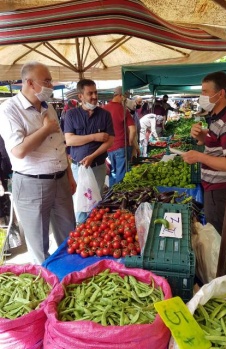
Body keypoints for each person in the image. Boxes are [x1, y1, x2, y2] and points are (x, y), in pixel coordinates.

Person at [0, 61, 76, 265]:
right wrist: (45, 130)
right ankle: (49, 285)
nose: (51, 85)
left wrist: (69, 175)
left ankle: (71, 275)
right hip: (31, 183)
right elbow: (19, 150)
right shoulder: (9, 109)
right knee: (39, 245)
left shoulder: (49, 107)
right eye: (47, 81)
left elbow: (59, 144)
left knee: (69, 235)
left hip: (60, 180)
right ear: (30, 83)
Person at [182, 71, 226, 253]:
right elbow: (217, 144)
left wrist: (199, 157)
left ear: (221, 93)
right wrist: (201, 135)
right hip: (214, 187)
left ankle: (225, 276)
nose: (203, 97)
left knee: (220, 237)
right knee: (219, 235)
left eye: (205, 92)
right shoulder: (218, 115)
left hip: (221, 189)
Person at [64, 79, 115, 223]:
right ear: (80, 96)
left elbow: (110, 141)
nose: (94, 96)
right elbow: (69, 140)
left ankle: (92, 228)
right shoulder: (71, 115)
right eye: (90, 93)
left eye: (95, 92)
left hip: (97, 166)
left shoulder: (105, 115)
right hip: (78, 167)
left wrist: (92, 156)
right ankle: (80, 230)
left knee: (95, 201)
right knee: (80, 202)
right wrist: (95, 137)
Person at [103, 86, 138, 186]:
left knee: (112, 172)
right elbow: (132, 129)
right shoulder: (123, 110)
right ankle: (119, 197)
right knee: (121, 175)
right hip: (122, 146)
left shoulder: (104, 109)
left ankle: (111, 197)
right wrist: (131, 142)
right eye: (124, 97)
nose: (125, 99)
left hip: (108, 148)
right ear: (119, 96)